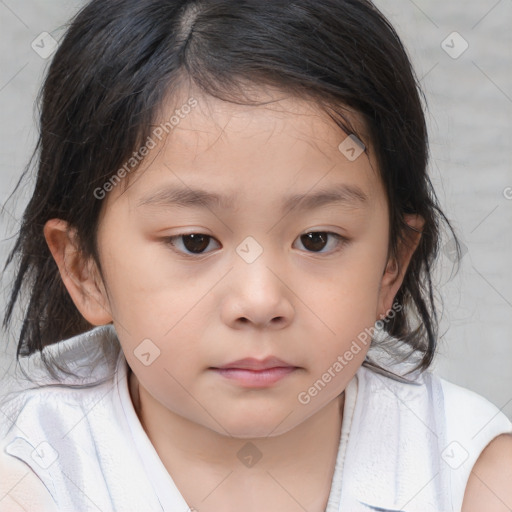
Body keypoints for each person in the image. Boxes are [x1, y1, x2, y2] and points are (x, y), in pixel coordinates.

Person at [1, 0, 511, 511]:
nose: (261, 300)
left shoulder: (470, 474)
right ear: (83, 268)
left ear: (391, 265)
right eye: (195, 242)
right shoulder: (32, 479)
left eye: (317, 239)